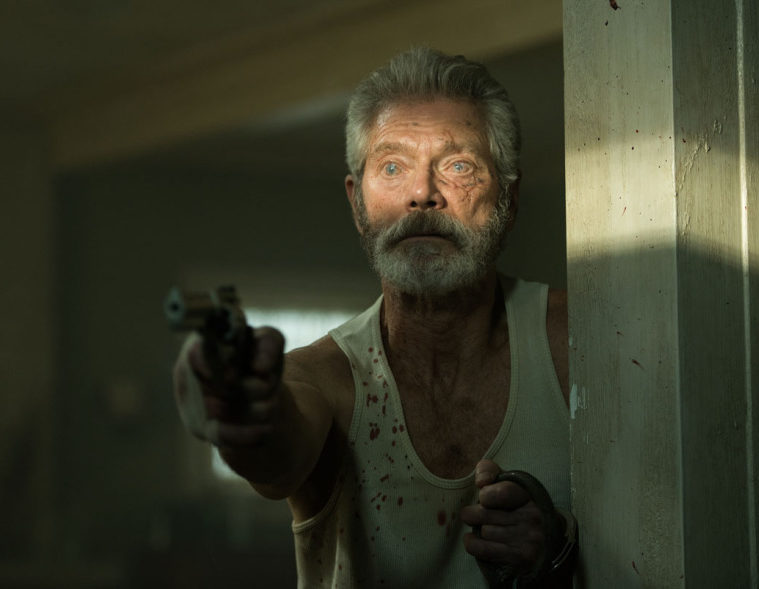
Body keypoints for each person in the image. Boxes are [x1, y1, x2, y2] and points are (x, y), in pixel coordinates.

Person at [173, 47, 577, 588]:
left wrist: (558, 544)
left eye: (458, 165)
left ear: (509, 197)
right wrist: (245, 416)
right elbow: (277, 454)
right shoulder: (325, 378)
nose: (422, 194)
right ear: (357, 204)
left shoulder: (579, 338)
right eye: (392, 167)